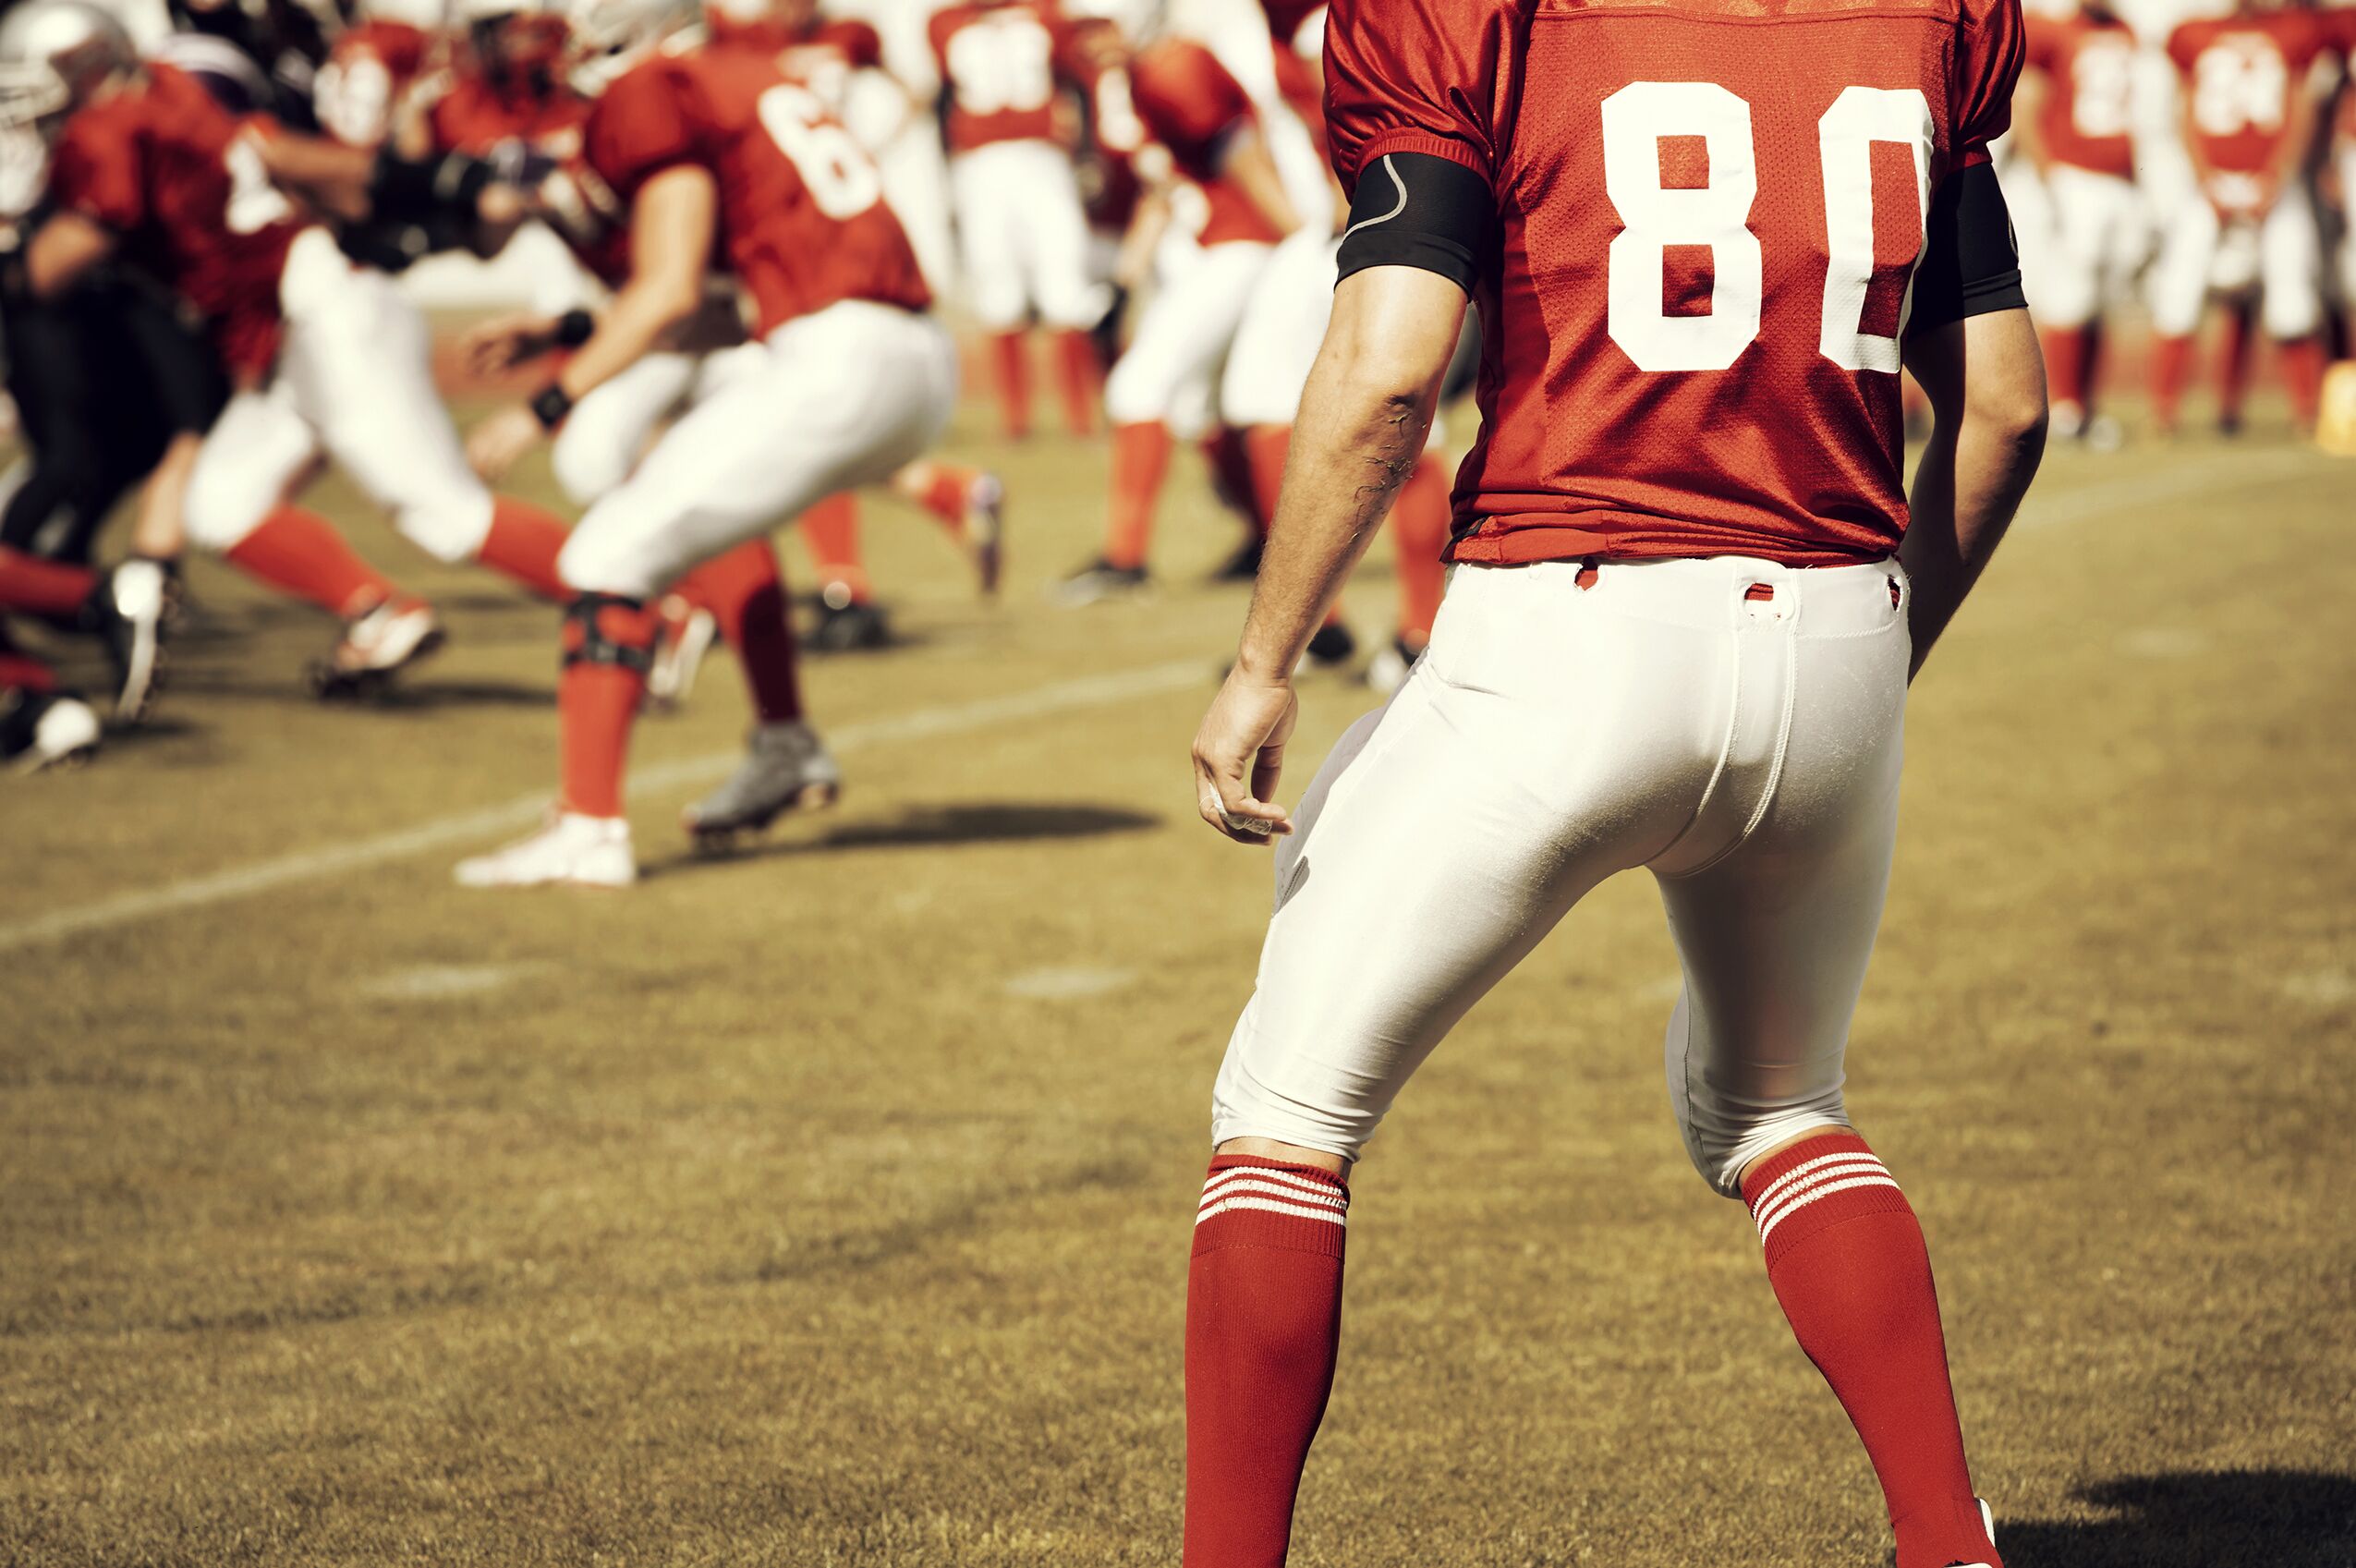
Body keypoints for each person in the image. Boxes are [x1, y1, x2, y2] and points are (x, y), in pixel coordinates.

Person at [1181, 0, 2049, 1562]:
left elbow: (1391, 370)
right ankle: (1949, 1539)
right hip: (1840, 619)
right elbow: (2007, 405)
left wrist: (1262, 655)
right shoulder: (1934, 11)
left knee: (1286, 1112)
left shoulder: (1462, 14)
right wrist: (1872, 650)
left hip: (1567, 623)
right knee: (1782, 1107)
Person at [452, 0, 955, 888]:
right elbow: (716, 305)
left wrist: (541, 406)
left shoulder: (659, 86)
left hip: (836, 352)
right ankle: (785, 745)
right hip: (907, 354)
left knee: (607, 548)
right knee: (692, 505)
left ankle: (589, 828)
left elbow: (668, 294)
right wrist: (568, 325)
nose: (566, 42)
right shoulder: (749, 75)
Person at [2151, 0, 2330, 433]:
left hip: (2273, 183)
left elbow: (2302, 105)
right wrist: (2204, 178)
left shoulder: (2295, 29)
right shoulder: (2195, 31)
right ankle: (2163, 409)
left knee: (2292, 296)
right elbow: (2185, 108)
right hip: (2210, 182)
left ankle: (2306, 409)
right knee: (2180, 293)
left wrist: (2278, 176)